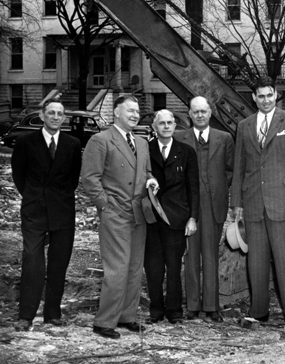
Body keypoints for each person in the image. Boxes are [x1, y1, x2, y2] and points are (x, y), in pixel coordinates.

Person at [231, 78, 285, 332]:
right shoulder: (244, 126)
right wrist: (237, 203)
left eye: (269, 95)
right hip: (253, 203)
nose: (265, 100)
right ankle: (259, 312)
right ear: (254, 98)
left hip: (283, 203)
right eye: (260, 96)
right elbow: (239, 166)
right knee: (257, 262)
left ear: (276, 95)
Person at [81, 95, 159, 339]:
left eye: (137, 111)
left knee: (135, 268)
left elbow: (146, 171)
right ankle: (104, 321)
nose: (135, 115)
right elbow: (89, 178)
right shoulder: (101, 140)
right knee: (117, 268)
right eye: (130, 111)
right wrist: (105, 206)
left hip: (138, 213)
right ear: (116, 112)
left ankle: (127, 316)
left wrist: (151, 180)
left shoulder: (142, 142)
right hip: (115, 213)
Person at [12, 99, 82, 332]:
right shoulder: (25, 142)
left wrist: (56, 198)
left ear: (64, 118)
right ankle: (26, 315)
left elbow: (72, 179)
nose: (55, 117)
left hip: (62, 210)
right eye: (50, 113)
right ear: (42, 116)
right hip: (34, 210)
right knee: (32, 262)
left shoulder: (72, 144)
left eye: (59, 114)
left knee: (58, 263)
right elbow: (19, 176)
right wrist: (34, 197)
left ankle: (53, 313)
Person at [174, 97, 234, 323]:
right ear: (189, 114)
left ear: (210, 113)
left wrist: (217, 188)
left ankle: (211, 306)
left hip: (214, 205)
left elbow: (230, 169)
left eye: (204, 111)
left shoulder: (225, 138)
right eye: (195, 112)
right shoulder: (180, 138)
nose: (200, 115)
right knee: (190, 255)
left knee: (210, 255)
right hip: (188, 207)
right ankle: (192, 306)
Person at [144, 110, 199, 324]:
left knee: (174, 266)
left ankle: (175, 311)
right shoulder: (146, 150)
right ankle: (156, 310)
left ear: (175, 126)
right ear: (154, 127)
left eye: (170, 123)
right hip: (152, 218)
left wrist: (193, 218)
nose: (166, 127)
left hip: (176, 218)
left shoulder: (186, 152)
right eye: (162, 123)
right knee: (153, 265)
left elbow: (193, 187)